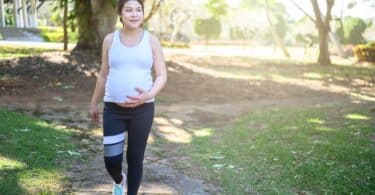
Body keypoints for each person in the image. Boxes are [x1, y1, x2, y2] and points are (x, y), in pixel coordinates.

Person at [89, 0, 167, 194]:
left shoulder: (151, 40)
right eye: (129, 10)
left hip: (143, 110)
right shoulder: (110, 40)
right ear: (120, 14)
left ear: (143, 14)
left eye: (138, 10)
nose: (134, 14)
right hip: (113, 109)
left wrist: (149, 94)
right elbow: (103, 73)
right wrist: (94, 103)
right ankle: (118, 179)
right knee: (111, 159)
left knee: (135, 158)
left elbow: (162, 75)